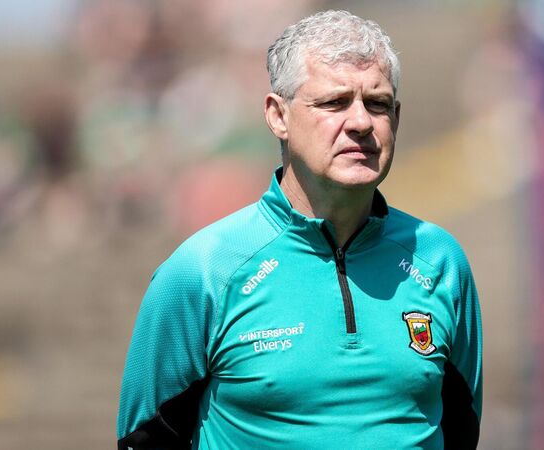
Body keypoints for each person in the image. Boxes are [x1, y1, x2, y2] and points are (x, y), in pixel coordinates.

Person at [117, 10, 482, 449]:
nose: (361, 122)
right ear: (278, 116)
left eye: (378, 104)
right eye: (334, 103)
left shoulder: (440, 261)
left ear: (396, 119)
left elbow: (461, 429)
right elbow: (145, 440)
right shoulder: (204, 270)